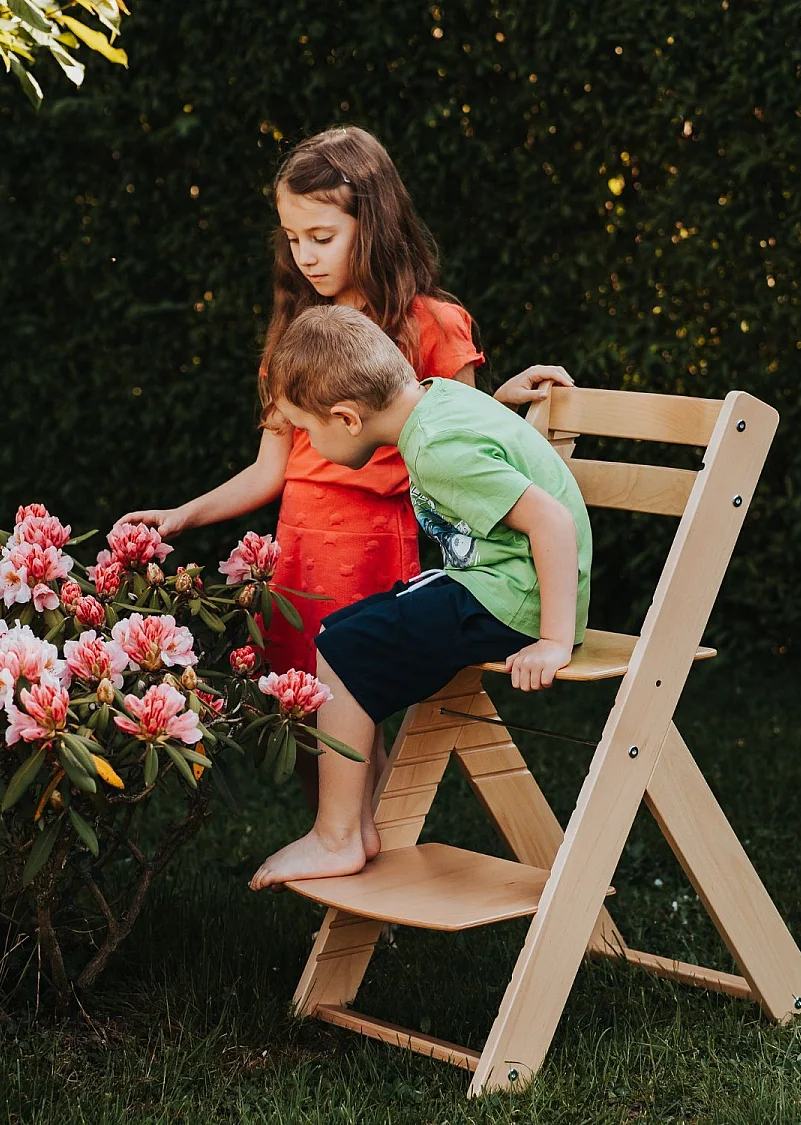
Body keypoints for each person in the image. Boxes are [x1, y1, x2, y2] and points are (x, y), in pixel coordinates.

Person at [116, 125, 572, 813]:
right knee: (301, 720)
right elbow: (271, 469)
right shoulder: (298, 336)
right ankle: (342, 861)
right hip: (298, 547)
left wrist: (502, 399)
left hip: (372, 545)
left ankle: (371, 879)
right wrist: (184, 512)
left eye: (322, 236)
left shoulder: (429, 323)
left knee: (355, 714)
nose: (305, 256)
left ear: (374, 222)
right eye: (292, 238)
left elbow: (454, 423)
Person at [247, 304, 591, 890]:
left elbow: (551, 523)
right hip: (503, 584)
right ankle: (354, 827)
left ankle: (338, 837)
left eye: (308, 429)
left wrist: (554, 641)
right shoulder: (436, 401)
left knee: (344, 647)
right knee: (347, 634)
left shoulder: (435, 447)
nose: (309, 441)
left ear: (348, 419)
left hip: (515, 600)